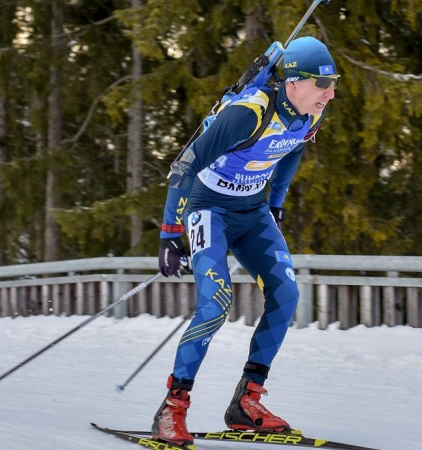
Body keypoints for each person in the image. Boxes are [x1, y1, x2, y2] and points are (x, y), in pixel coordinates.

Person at [151, 36, 339, 447]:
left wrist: (275, 204)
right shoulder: (247, 113)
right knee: (215, 304)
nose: (330, 93)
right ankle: (172, 407)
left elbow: (291, 150)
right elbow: (184, 167)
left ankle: (246, 403)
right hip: (209, 210)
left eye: (333, 83)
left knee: (286, 294)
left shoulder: (310, 113)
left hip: (252, 212)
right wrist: (170, 234)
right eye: (321, 84)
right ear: (292, 83)